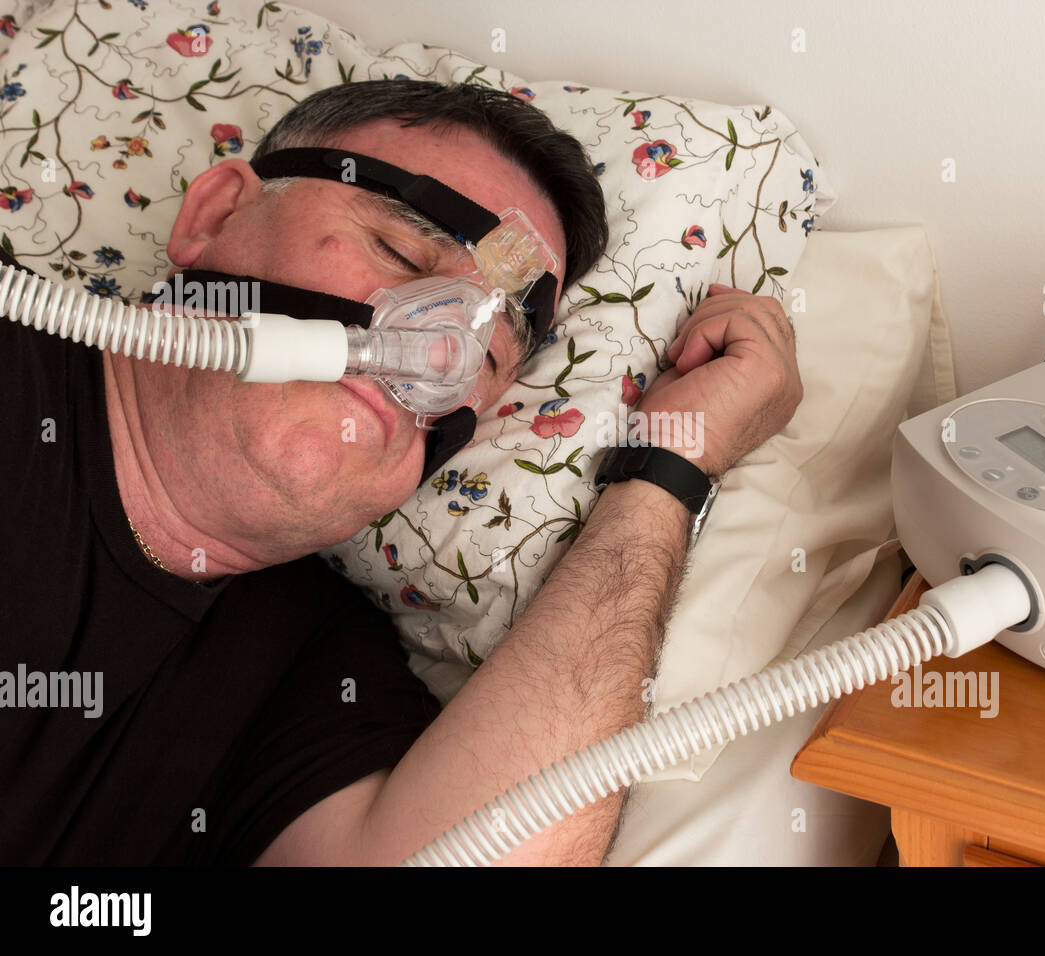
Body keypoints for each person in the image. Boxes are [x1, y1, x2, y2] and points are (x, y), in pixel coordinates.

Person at [0, 80, 801, 865]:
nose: (432, 348)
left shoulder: (309, 671)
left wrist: (668, 467)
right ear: (216, 216)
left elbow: (502, 851)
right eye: (400, 250)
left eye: (486, 355)